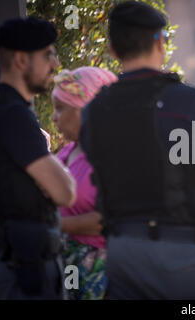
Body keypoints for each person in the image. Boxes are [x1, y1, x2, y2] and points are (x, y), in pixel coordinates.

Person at [80, 1, 195, 299]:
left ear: (113, 50)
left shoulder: (93, 111)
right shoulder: (187, 101)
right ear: (161, 43)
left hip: (122, 251)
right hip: (185, 252)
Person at [0, 17, 76, 299]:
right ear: (20, 60)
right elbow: (65, 192)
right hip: (22, 273)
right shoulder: (14, 115)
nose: (55, 64)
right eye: (47, 55)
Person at [51, 67, 118, 299]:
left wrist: (53, 225)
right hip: (62, 265)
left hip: (99, 272)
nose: (53, 117)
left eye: (60, 108)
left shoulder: (112, 156)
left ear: (86, 109)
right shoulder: (66, 153)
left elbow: (106, 220)